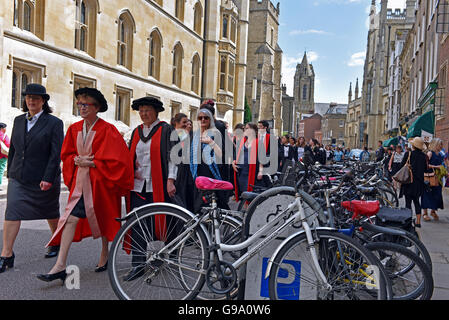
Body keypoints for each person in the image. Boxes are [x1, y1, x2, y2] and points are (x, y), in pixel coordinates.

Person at [36, 87, 134, 283]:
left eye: (85, 104)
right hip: (81, 185)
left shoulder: (108, 130)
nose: (81, 107)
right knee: (70, 218)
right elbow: (66, 154)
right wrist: (75, 160)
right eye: (79, 103)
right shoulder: (73, 129)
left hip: (102, 184)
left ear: (96, 107)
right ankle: (60, 266)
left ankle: (105, 253)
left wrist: (94, 162)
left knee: (106, 218)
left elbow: (119, 159)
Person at [0, 84, 64, 274]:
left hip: (44, 178)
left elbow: (55, 153)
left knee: (51, 211)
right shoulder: (19, 120)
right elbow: (14, 149)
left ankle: (57, 242)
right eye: (28, 97)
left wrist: (48, 177)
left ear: (44, 101)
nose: (31, 101)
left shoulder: (54, 123)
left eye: (36, 98)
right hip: (19, 177)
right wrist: (11, 173)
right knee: (12, 212)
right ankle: (6, 254)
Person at [123, 97, 179, 281]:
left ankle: (170, 259)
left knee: (166, 223)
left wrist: (171, 180)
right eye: (141, 110)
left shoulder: (166, 130)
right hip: (139, 186)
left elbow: (174, 158)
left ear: (155, 111)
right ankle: (138, 265)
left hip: (160, 185)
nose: (143, 114)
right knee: (138, 224)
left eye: (147, 110)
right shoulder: (137, 132)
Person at [186, 108, 229, 213]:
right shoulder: (193, 134)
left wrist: (211, 142)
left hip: (210, 173)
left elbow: (221, 155)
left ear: (210, 120)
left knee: (210, 204)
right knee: (197, 206)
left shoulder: (216, 134)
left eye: (206, 118)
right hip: (195, 173)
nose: (203, 120)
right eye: (200, 118)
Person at [232, 123, 266, 202]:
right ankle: (245, 210)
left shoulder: (258, 143)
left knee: (250, 194)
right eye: (245, 128)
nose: (244, 130)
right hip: (241, 171)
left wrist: (260, 171)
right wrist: (233, 163)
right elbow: (236, 156)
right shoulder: (242, 141)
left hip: (252, 172)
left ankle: (249, 211)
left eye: (247, 128)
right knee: (243, 192)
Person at [399, 137, 427, 228]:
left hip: (409, 182)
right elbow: (425, 169)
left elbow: (401, 165)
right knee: (416, 202)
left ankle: (408, 221)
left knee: (408, 202)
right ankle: (418, 222)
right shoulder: (424, 156)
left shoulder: (408, 154)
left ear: (413, 145)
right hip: (419, 183)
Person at [422, 138, 445, 222]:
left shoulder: (440, 154)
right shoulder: (430, 153)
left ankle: (433, 211)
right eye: (440, 144)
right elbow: (425, 165)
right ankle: (425, 213)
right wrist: (436, 167)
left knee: (437, 194)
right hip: (429, 177)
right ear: (436, 144)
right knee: (427, 194)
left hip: (437, 178)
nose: (441, 146)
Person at [0, 123, 10, 190]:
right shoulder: (4, 136)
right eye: (5, 128)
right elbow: (8, 145)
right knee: (0, 170)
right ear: (2, 128)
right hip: (2, 156)